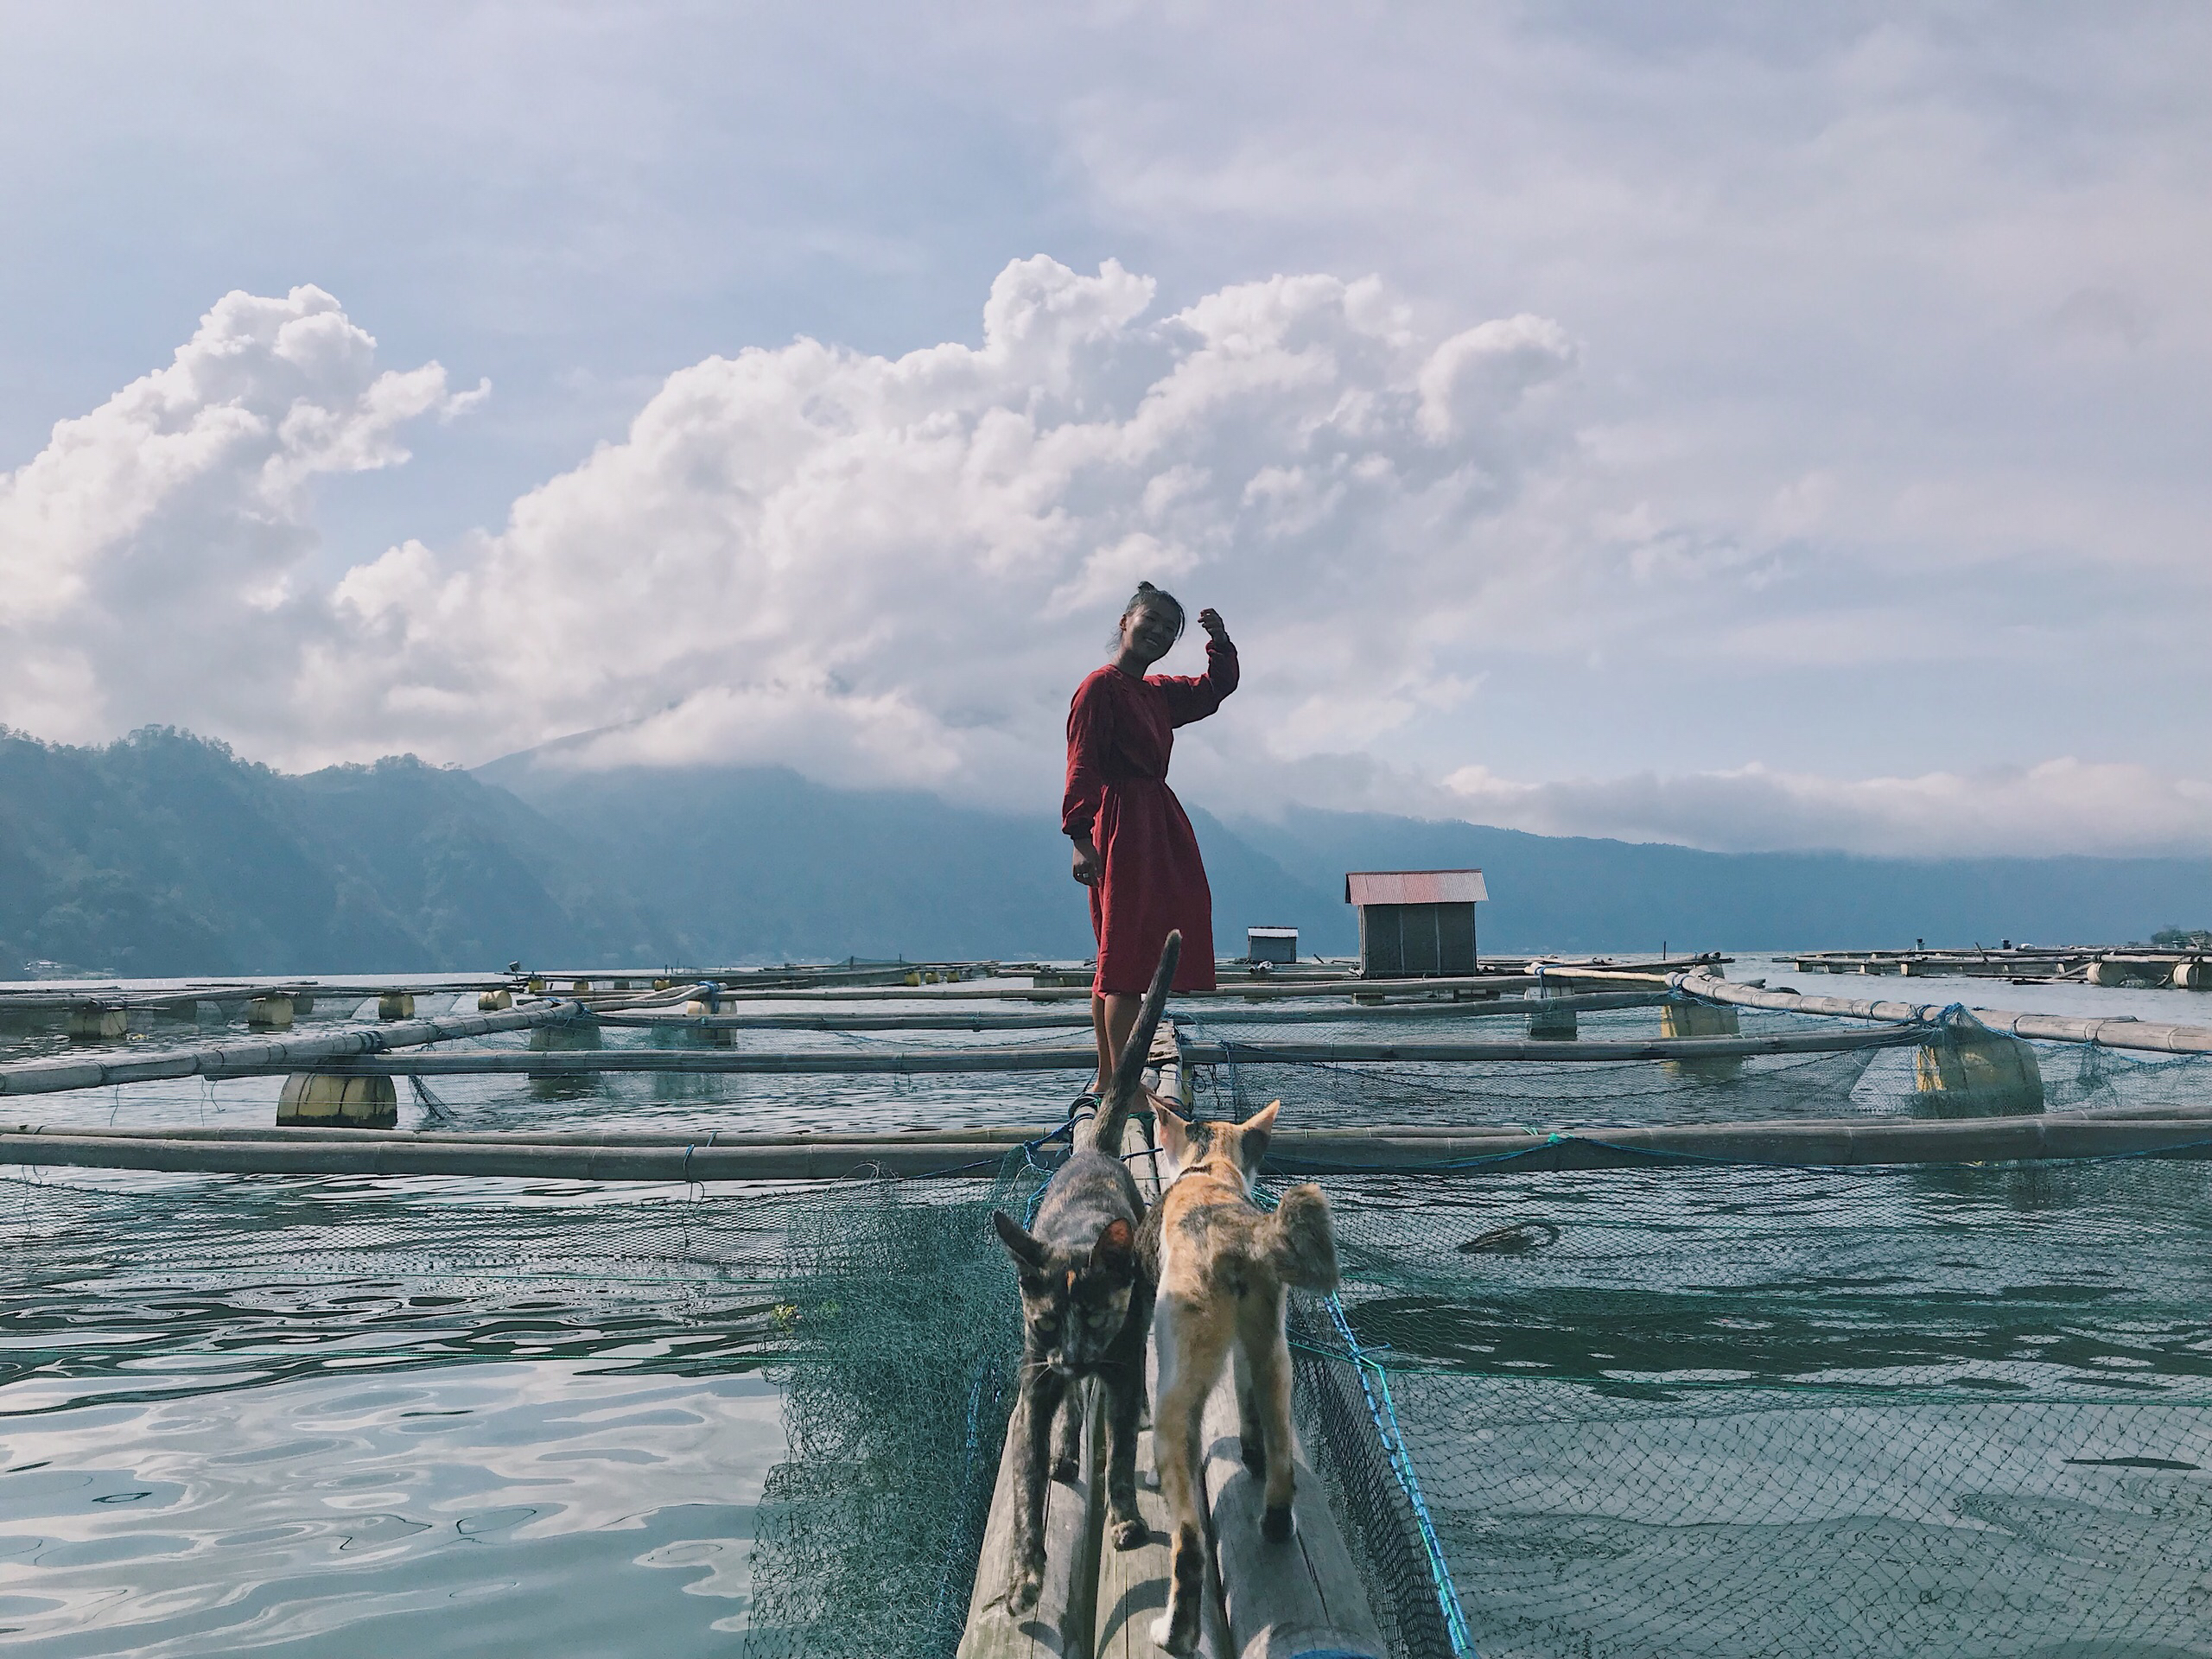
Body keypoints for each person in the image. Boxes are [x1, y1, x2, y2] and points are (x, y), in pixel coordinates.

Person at [1063, 581, 1238, 1095]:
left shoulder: (1158, 693)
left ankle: (1107, 1076)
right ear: (1125, 622)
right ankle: (1124, 1082)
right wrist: (1079, 834)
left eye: (1169, 629)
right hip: (1118, 821)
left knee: (1121, 952)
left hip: (1154, 819)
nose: (1158, 633)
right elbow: (1083, 761)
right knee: (1125, 956)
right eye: (1151, 621)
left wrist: (1220, 644)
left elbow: (1213, 691)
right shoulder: (1101, 686)